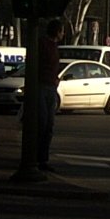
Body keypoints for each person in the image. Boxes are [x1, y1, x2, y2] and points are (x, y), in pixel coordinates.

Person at [37, 19, 65, 172]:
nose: (63, 34)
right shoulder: (44, 44)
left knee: (48, 125)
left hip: (50, 86)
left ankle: (42, 158)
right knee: (42, 123)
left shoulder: (54, 46)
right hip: (43, 86)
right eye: (62, 31)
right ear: (56, 31)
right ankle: (38, 158)